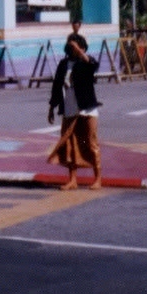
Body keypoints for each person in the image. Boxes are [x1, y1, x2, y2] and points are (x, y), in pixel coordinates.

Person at [46, 32, 103, 190]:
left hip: (87, 108)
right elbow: (57, 86)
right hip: (69, 109)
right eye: (71, 47)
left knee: (91, 143)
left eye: (77, 47)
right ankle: (72, 180)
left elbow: (93, 65)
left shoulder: (85, 62)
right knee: (70, 145)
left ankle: (97, 178)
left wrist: (79, 50)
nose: (74, 50)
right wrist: (52, 107)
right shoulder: (63, 64)